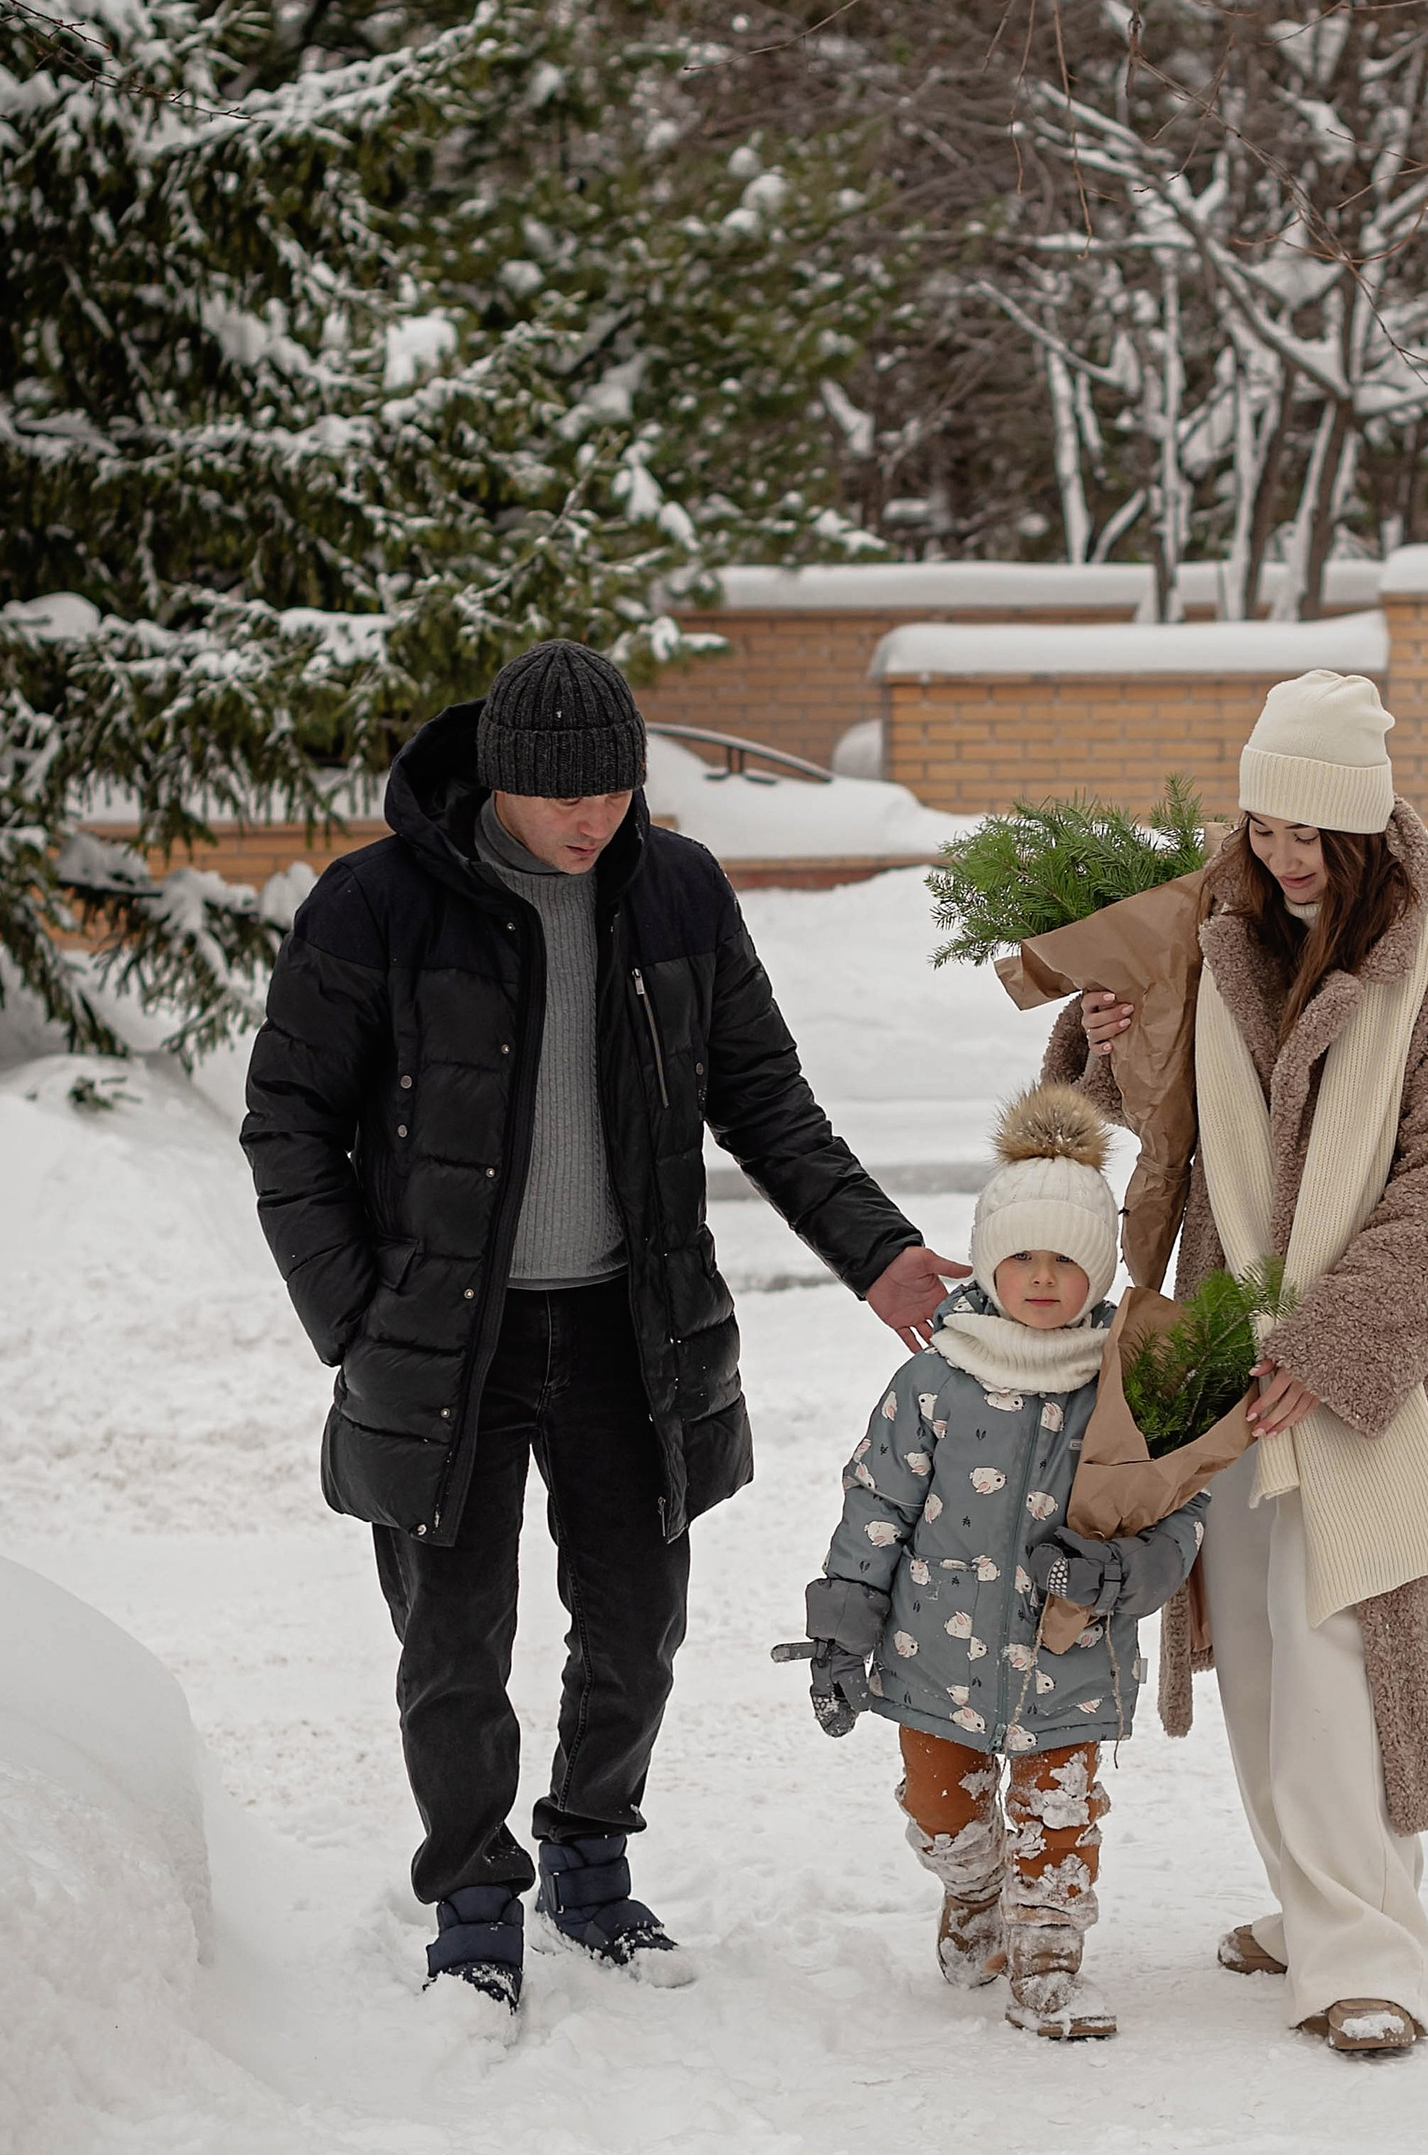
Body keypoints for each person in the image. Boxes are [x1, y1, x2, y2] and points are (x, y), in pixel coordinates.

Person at [240, 639, 962, 2011]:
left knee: (637, 1620)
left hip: (633, 1326)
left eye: (616, 789)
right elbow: (289, 1124)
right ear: (495, 780)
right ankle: (471, 1892)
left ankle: (588, 1848)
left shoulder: (676, 893)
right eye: (562, 795)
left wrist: (881, 1256)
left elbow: (765, 1099)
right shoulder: (376, 905)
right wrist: (355, 1314)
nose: (592, 819)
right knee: (455, 1637)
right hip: (448, 1338)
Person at [1052, 668, 1428, 2061]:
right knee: (1259, 1634)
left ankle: (1371, 1951)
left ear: (1371, 828)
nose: (1284, 855)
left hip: (1394, 1357)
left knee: (1348, 1639)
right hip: (1231, 1329)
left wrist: (1329, 1346)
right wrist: (1105, 1044)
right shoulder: (1217, 923)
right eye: (1264, 825)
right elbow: (1127, 1107)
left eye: (1312, 833)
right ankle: (1319, 1899)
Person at [788, 1084, 1205, 2042]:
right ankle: (974, 1889)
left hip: (1069, 1655)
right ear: (988, 1261)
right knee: (942, 1805)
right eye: (1023, 1257)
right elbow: (876, 1506)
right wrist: (844, 1629)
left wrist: (1117, 1577)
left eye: (1068, 1260)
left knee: (1059, 1808)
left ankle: (1050, 1946)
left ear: (1099, 1272)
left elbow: (1181, 1512)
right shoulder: (932, 1380)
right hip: (936, 1649)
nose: (1045, 1278)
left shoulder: (1133, 1384)